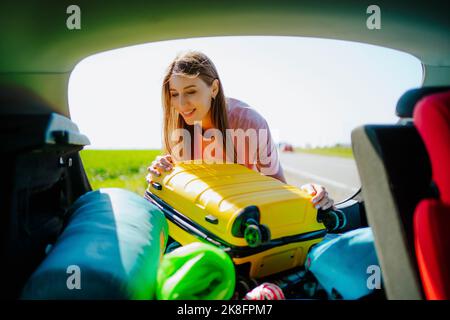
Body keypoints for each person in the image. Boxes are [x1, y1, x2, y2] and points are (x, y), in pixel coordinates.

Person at [146, 51, 334, 210]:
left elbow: (278, 188)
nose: (181, 103)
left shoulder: (249, 122)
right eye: (174, 94)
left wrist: (307, 194)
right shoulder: (177, 125)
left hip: (240, 213)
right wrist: (163, 172)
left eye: (191, 91)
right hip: (202, 215)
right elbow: (180, 190)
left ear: (214, 89)